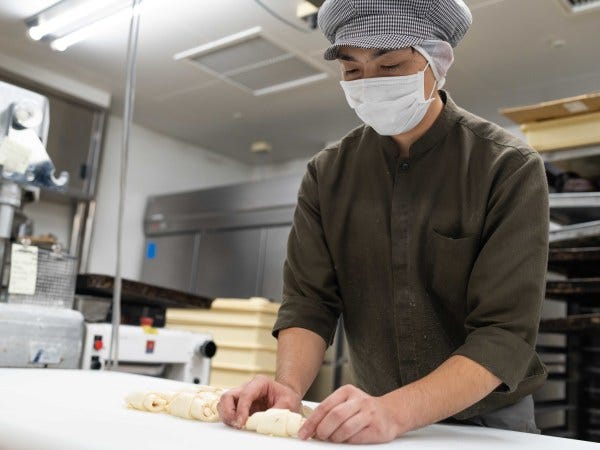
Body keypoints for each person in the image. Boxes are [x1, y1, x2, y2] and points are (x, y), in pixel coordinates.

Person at [218, 0, 549, 444]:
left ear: (438, 61)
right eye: (352, 70)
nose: (370, 84)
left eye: (390, 65)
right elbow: (309, 302)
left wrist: (397, 411)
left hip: (489, 418)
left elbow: (504, 333)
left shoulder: (506, 167)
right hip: (376, 414)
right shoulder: (327, 175)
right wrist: (289, 388)